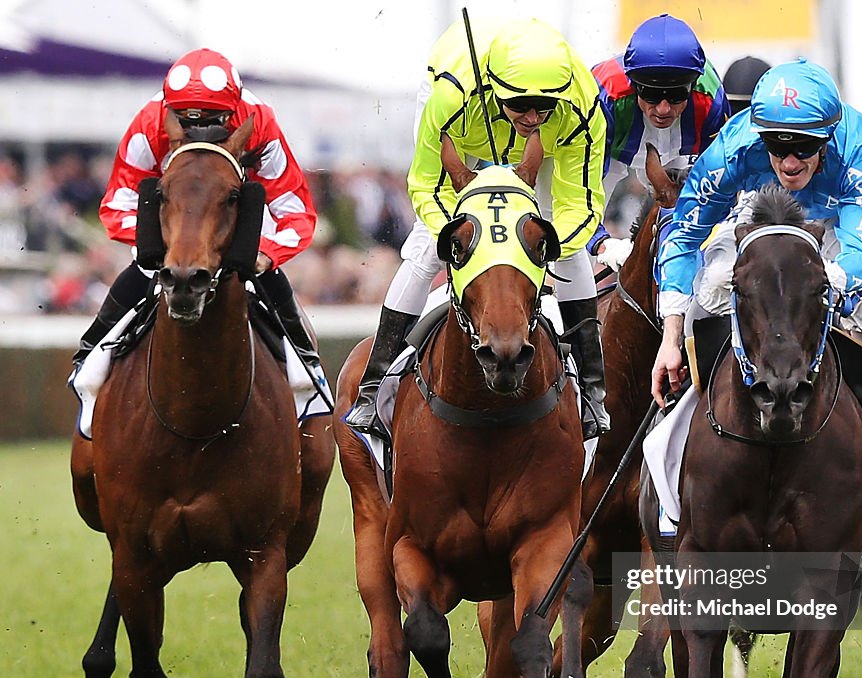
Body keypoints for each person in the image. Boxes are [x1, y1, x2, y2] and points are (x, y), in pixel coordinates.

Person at [345, 17, 610, 440]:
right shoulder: (450, 97)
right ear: (496, 88)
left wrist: (547, 247)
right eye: (520, 104)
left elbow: (579, 202)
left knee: (574, 252)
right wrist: (454, 236)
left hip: (525, 142)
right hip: (461, 119)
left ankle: (594, 393)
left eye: (544, 107)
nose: (532, 116)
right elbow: (428, 187)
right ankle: (373, 386)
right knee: (426, 247)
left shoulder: (581, 106)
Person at [652, 58, 862, 471]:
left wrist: (824, 288)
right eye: (777, 147)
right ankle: (686, 405)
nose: (790, 162)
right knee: (714, 288)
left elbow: (858, 254)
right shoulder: (734, 150)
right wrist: (671, 336)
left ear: (828, 138)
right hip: (765, 205)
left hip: (840, 215)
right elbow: (684, 234)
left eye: (804, 147)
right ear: (761, 138)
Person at [74, 48, 321, 375]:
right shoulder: (150, 121)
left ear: (234, 111)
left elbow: (296, 212)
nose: (200, 131)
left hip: (233, 228)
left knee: (269, 277)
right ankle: (87, 364)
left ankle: (310, 375)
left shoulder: (259, 120)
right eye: (187, 121)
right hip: (170, 233)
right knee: (143, 267)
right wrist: (165, 244)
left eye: (212, 122)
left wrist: (264, 254)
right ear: (169, 111)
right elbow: (117, 204)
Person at [588, 14, 729, 271]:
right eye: (651, 94)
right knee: (573, 248)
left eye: (676, 95)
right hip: (613, 150)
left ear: (693, 86)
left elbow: (721, 191)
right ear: (633, 86)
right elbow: (576, 197)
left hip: (679, 152)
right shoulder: (604, 98)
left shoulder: (711, 102)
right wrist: (602, 244)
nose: (663, 109)